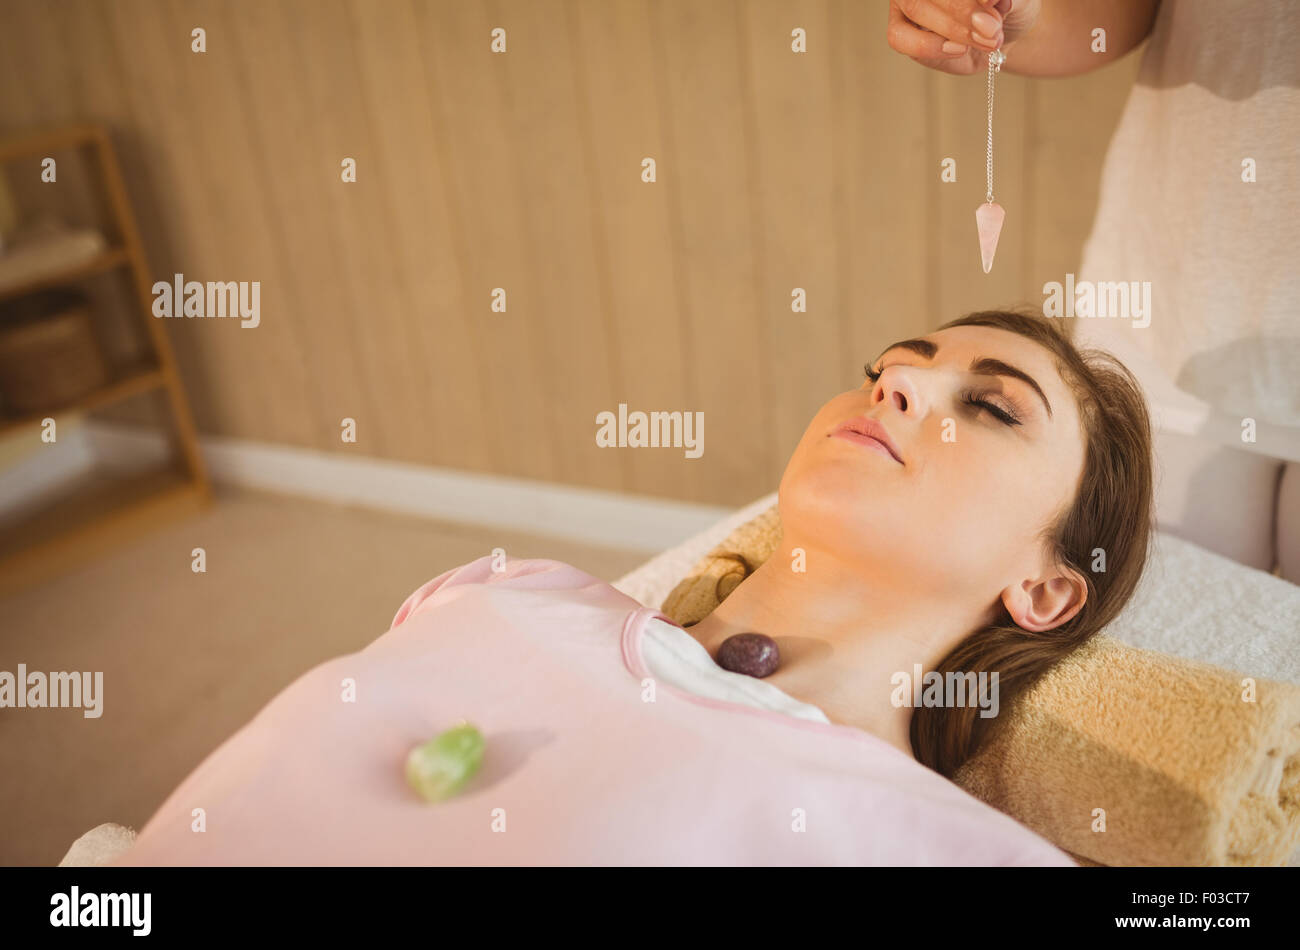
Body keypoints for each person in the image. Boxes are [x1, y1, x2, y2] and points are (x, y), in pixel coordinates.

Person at [111, 309, 1151, 865]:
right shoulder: (508, 589)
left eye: (995, 408)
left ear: (1047, 589)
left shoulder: (931, 843)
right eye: (892, 364)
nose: (900, 382)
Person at [887, 0, 1300, 580]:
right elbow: (1119, 17)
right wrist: (1016, 21)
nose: (892, 388)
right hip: (1166, 303)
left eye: (991, 405)